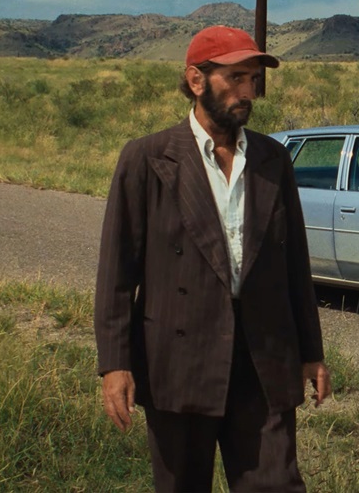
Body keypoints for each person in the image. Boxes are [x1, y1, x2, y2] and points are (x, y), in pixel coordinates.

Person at [95, 25, 331, 492]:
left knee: (277, 485)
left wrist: (311, 353)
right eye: (236, 79)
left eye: (253, 80)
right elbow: (117, 274)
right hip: (180, 363)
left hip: (263, 361)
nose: (248, 93)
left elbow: (293, 267)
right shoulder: (148, 159)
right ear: (196, 80)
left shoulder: (272, 159)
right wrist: (115, 365)